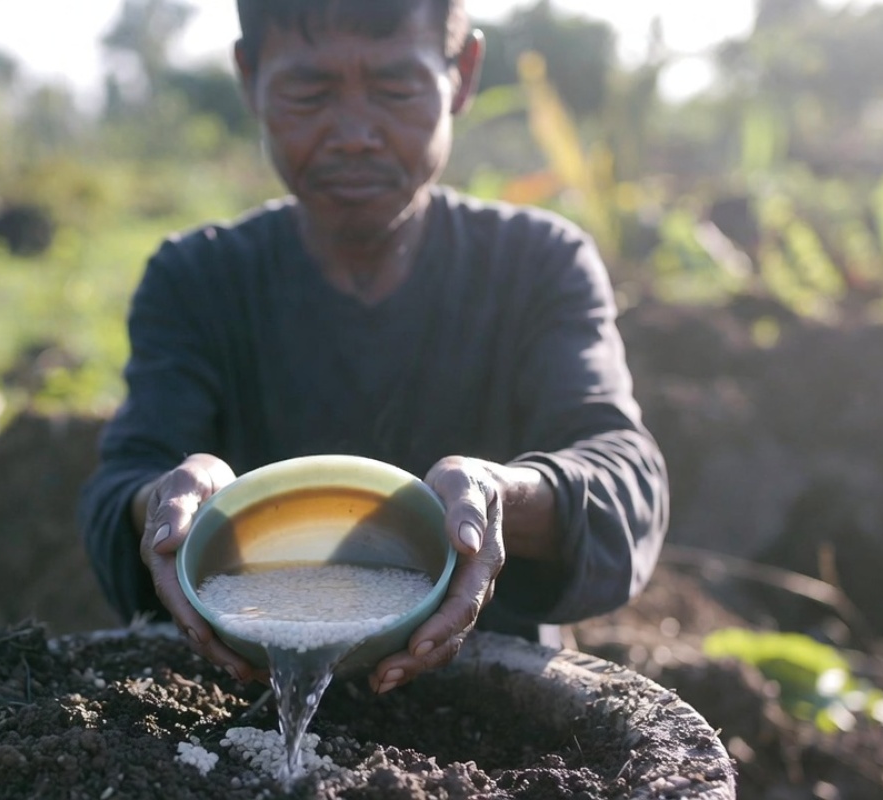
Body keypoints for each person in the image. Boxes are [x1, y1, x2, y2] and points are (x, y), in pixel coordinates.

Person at [79, 0, 668, 696]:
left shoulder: (536, 265)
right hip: (245, 700)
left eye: (396, 89)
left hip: (491, 701)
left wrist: (497, 498)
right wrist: (167, 504)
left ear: (462, 74)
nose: (355, 134)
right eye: (309, 92)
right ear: (250, 78)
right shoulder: (199, 282)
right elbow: (122, 489)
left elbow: (624, 475)